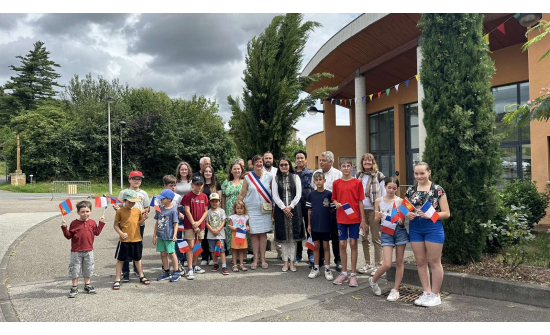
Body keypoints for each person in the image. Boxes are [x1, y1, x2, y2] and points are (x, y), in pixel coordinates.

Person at [406, 162, 450, 307]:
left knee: (435, 262)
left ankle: (435, 295)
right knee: (420, 261)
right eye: (416, 173)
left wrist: (431, 215)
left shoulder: (438, 190)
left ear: (429, 172)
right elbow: (405, 209)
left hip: (433, 227)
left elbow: (446, 213)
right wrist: (409, 215)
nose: (419, 176)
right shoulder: (410, 190)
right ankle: (426, 292)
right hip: (415, 228)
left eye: (422, 173)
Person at [368, 177, 408, 301]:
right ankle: (373, 280)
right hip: (386, 231)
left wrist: (400, 220)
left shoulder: (402, 201)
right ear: (385, 187)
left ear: (397, 189)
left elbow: (402, 222)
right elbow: (375, 220)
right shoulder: (379, 201)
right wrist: (379, 216)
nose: (391, 190)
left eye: (394, 188)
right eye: (389, 187)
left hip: (399, 231)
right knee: (387, 264)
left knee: (400, 261)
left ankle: (395, 290)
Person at [331, 159, 366, 287]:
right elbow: (333, 198)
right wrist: (336, 204)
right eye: (343, 166)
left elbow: (360, 201)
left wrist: (363, 219)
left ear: (352, 168)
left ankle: (353, 274)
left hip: (354, 218)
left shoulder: (357, 183)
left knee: (353, 244)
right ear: (340, 168)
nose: (346, 168)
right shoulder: (336, 183)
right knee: (342, 244)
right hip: (341, 218)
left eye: (348, 166)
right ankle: (344, 273)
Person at [61, 200, 105, 297]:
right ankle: (74, 287)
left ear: (91, 211)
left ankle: (87, 285)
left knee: (88, 268)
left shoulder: (92, 222)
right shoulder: (74, 223)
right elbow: (68, 236)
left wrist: (101, 223)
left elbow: (97, 232)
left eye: (87, 211)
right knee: (75, 269)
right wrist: (64, 228)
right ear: (78, 212)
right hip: (76, 251)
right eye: (82, 211)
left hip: (89, 250)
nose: (85, 214)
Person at [238, 154, 274, 270]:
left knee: (263, 234)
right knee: (254, 234)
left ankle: (263, 259)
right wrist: (238, 207)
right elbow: (242, 194)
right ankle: (255, 258)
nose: (259, 163)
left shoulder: (269, 176)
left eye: (260, 161)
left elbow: (274, 194)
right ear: (253, 164)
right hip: (251, 209)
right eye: (256, 162)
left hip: (265, 209)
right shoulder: (248, 178)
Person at [116, 171, 150, 282]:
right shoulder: (123, 192)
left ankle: (137, 269)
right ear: (129, 179)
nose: (136, 181)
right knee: (125, 246)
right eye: (134, 178)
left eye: (139, 179)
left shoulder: (143, 193)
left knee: (137, 245)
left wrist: (139, 213)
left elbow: (147, 207)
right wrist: (117, 209)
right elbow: (119, 205)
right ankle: (125, 271)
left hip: (139, 222)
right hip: (126, 224)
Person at [272, 157, 304, 272]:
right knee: (284, 238)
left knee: (293, 238)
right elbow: (275, 195)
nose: (284, 167)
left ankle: (292, 262)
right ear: (279, 167)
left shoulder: (296, 177)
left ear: (289, 165)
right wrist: (283, 208)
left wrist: (290, 206)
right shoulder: (276, 179)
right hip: (281, 211)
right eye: (281, 165)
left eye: (286, 164)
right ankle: (285, 261)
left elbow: (298, 194)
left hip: (294, 210)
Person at [311, 151, 342, 271]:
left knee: (335, 236)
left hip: (333, 211)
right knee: (320, 235)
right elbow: (314, 191)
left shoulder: (338, 174)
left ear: (331, 161)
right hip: (320, 211)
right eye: (320, 160)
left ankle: (338, 260)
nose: (321, 162)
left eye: (324, 160)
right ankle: (321, 260)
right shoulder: (316, 173)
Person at [356, 153, 386, 275]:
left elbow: (383, 194)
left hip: (374, 210)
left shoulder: (379, 176)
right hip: (362, 210)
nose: (367, 163)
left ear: (373, 163)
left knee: (376, 238)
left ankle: (379, 265)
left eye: (369, 161)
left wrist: (380, 211)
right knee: (364, 237)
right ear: (362, 163)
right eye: (365, 161)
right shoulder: (358, 175)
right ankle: (368, 264)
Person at [306, 172, 335, 281]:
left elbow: (332, 209)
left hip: (326, 225)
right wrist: (309, 224)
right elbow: (309, 211)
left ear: (324, 181)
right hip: (314, 225)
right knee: (316, 247)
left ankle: (327, 269)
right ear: (314, 182)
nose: (318, 181)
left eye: (320, 179)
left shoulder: (329, 194)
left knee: (326, 247)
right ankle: (316, 268)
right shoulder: (311, 195)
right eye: (316, 180)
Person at [181, 175, 209, 280]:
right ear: (192, 185)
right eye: (197, 184)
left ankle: (194, 265)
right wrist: (193, 223)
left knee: (198, 246)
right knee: (191, 246)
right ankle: (189, 269)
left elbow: (206, 211)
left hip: (200, 225)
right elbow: (187, 210)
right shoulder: (188, 196)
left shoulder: (204, 196)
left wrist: (199, 222)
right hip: (189, 225)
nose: (199, 186)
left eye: (201, 184)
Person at [153, 189, 180, 282]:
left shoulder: (173, 211)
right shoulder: (160, 209)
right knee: (163, 254)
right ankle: (166, 271)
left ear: (169, 199)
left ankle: (176, 271)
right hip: (160, 235)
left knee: (172, 253)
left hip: (169, 236)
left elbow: (175, 223)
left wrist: (175, 235)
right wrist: (154, 236)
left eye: (162, 198)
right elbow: (157, 222)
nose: (161, 200)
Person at [294, 150, 314, 264]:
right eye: (298, 158)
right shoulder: (292, 173)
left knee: (309, 229)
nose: (300, 160)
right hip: (296, 206)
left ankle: (311, 253)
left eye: (302, 158)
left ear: (305, 160)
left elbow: (313, 189)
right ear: (295, 160)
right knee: (297, 229)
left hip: (308, 205)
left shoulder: (311, 173)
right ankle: (298, 254)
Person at [221, 161, 245, 255]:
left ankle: (243, 255)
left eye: (238, 168)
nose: (236, 170)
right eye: (234, 169)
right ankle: (233, 255)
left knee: (241, 230)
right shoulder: (226, 182)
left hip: (241, 209)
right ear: (231, 170)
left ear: (241, 170)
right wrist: (223, 208)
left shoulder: (245, 181)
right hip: (229, 209)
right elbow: (223, 196)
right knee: (231, 231)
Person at [200, 165, 222, 266]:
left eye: (210, 171)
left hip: (214, 213)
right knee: (204, 236)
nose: (208, 173)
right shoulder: (200, 185)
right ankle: (204, 257)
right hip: (203, 212)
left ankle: (214, 257)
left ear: (212, 173)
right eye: (206, 171)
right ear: (203, 173)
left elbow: (220, 199)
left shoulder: (217, 185)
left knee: (214, 236)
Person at [205, 193, 229, 275]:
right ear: (210, 202)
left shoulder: (222, 211)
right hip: (211, 235)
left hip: (220, 235)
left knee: (222, 251)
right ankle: (215, 263)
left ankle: (224, 266)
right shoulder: (208, 212)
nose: (214, 203)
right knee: (212, 250)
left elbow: (223, 221)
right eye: (212, 201)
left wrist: (218, 230)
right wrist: (212, 230)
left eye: (216, 201)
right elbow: (207, 223)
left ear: (219, 202)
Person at [175, 161, 193, 267]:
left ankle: (188, 257)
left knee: (188, 235)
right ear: (179, 170)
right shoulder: (175, 182)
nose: (184, 171)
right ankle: (179, 257)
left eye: (186, 169)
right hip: (178, 209)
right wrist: (177, 212)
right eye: (182, 169)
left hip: (189, 210)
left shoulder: (191, 182)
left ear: (188, 170)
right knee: (178, 235)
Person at [228, 200, 250, 272]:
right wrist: (235, 228)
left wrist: (247, 228)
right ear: (235, 209)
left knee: (241, 250)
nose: (239, 210)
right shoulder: (232, 217)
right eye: (238, 208)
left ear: (244, 209)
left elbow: (247, 225)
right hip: (235, 234)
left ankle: (241, 264)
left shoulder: (245, 216)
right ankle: (234, 265)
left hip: (242, 234)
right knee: (235, 250)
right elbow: (230, 226)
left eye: (241, 208)